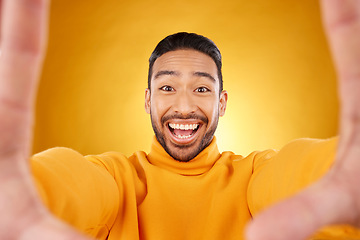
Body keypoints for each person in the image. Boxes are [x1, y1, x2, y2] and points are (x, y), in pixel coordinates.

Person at [1, 0, 360, 240]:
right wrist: (26, 192)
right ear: (147, 100)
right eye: (168, 87)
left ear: (222, 103)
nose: (184, 106)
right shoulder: (115, 179)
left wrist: (337, 169)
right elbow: (69, 182)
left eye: (201, 90)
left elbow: (296, 170)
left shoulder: (254, 176)